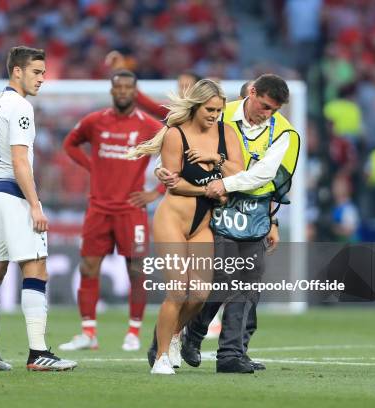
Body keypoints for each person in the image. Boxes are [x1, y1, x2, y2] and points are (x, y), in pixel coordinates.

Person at [157, 74, 300, 373]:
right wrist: (164, 169)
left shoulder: (285, 132)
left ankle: (232, 354)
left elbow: (268, 178)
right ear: (252, 92)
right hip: (214, 207)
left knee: (248, 283)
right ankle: (179, 335)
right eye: (264, 105)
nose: (268, 114)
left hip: (253, 210)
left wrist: (272, 220)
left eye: (274, 110)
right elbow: (178, 144)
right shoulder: (220, 113)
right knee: (218, 279)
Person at [128, 79, 244, 374]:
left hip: (202, 224)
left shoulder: (225, 133)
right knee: (178, 290)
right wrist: (211, 189)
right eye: (209, 109)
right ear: (195, 106)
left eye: (218, 110)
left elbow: (240, 172)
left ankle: (172, 335)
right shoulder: (175, 135)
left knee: (201, 294)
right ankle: (161, 357)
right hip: (173, 220)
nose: (214, 115)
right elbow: (175, 185)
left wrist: (214, 159)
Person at [0, 46, 77, 372]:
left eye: (43, 73)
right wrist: (35, 206)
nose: (42, 79)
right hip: (11, 194)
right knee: (36, 269)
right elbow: (20, 160)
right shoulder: (20, 107)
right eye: (36, 72)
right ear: (16, 71)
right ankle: (37, 353)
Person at [58, 70, 163, 352]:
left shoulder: (148, 125)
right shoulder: (95, 121)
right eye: (119, 87)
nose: (123, 92)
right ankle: (88, 333)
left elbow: (175, 154)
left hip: (132, 210)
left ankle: (133, 332)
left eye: (129, 87)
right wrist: (93, 166)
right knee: (88, 267)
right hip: (99, 208)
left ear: (135, 91)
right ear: (112, 90)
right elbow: (70, 143)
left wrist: (156, 192)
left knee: (137, 269)